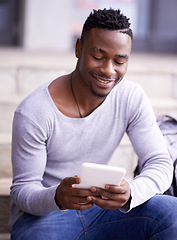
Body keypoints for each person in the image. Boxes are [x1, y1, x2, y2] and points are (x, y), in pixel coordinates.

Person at [9, 8, 177, 240]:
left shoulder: (130, 97)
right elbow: (22, 191)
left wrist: (132, 192)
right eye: (98, 57)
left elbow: (160, 162)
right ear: (79, 48)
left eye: (119, 61)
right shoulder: (34, 112)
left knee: (172, 213)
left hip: (102, 211)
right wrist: (57, 196)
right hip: (44, 218)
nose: (108, 70)